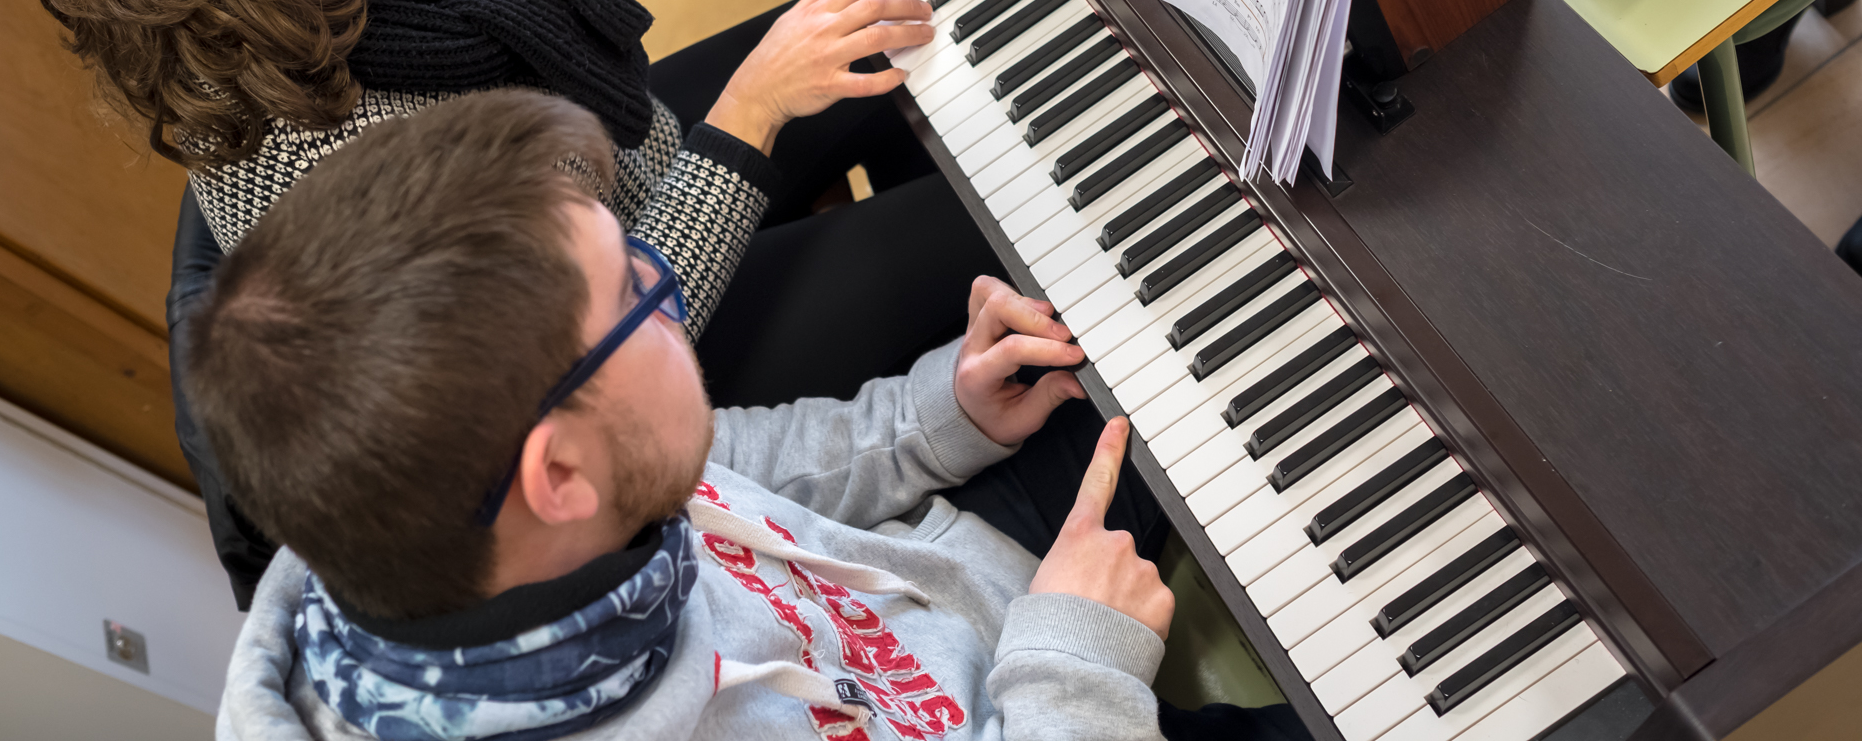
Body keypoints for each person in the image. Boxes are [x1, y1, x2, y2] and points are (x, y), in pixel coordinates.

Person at [24, 0, 1004, 601]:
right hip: (633, 345)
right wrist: (750, 112)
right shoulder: (332, 164)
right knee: (997, 211)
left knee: (909, 51)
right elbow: (601, 337)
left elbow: (477, 4)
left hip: (603, 181)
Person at [196, 89, 1308, 741]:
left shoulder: (473, 527)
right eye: (642, 299)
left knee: (1214, 287)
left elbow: (737, 465)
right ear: (562, 475)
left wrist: (938, 417)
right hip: (1048, 692)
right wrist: (1077, 662)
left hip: (973, 595)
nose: (671, 294)